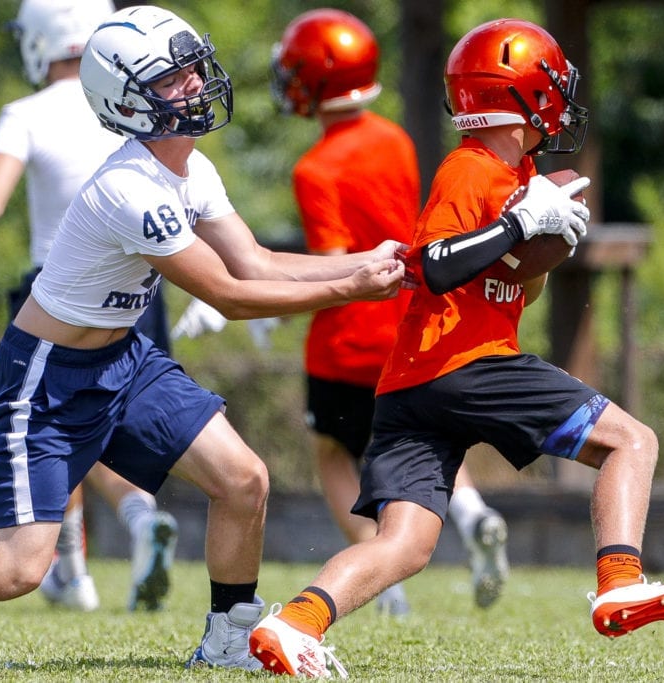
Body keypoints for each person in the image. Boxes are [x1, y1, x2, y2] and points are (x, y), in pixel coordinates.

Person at [0, 5, 416, 675]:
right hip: (47, 378)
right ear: (128, 101)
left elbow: (253, 260)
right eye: (172, 78)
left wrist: (371, 260)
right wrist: (353, 285)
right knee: (18, 566)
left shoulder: (192, 169)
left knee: (244, 477)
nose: (195, 84)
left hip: (124, 359)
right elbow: (228, 293)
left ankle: (228, 633)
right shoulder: (129, 189)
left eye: (193, 68)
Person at [249, 17, 664, 677]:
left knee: (406, 544)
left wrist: (544, 251)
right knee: (633, 441)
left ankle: (293, 621)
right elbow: (436, 264)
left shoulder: (522, 173)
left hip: (409, 384)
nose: (562, 101)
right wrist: (517, 223)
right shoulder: (471, 169)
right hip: (463, 363)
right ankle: (621, 579)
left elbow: (514, 292)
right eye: (552, 86)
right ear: (521, 96)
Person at [0, 0, 178, 614]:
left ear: (38, 38)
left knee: (58, 428)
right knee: (120, 418)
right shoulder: (133, 104)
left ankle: (72, 569)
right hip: (145, 279)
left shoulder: (26, 113)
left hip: (59, 288)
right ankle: (141, 521)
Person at [270, 8, 509, 615]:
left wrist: (267, 295)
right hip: (409, 322)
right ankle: (474, 512)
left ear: (316, 79)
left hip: (346, 334)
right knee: (429, 440)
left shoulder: (314, 167)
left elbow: (333, 263)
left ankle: (380, 573)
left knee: (332, 450)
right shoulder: (396, 139)